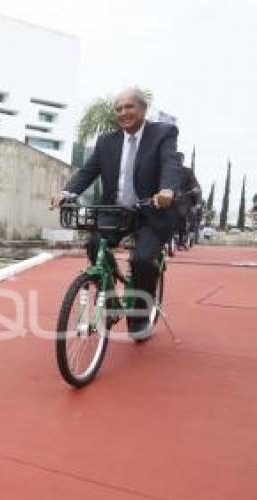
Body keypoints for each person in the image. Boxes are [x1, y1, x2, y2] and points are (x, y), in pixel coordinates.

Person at [54, 87, 180, 339]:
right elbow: (88, 171)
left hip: (150, 211)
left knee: (142, 260)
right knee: (94, 244)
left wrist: (167, 189)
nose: (123, 112)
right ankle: (111, 302)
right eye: (119, 108)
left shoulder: (162, 133)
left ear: (143, 109)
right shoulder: (107, 141)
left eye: (129, 107)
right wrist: (67, 193)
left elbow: (170, 162)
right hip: (116, 210)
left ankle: (140, 314)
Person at [174, 153, 201, 249]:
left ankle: (181, 239)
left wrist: (195, 191)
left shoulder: (188, 171)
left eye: (180, 159)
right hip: (170, 197)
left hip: (184, 198)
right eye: (176, 159)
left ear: (182, 160)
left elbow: (195, 184)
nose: (178, 161)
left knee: (181, 215)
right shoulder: (168, 171)